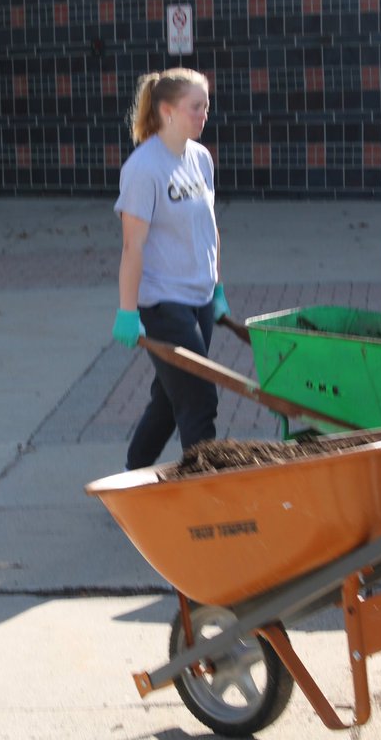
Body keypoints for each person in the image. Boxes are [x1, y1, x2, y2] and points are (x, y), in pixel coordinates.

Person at [111, 67, 230, 470]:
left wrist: (216, 287)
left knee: (169, 396)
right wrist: (129, 311)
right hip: (163, 304)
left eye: (206, 106)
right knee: (199, 399)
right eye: (195, 107)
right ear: (166, 110)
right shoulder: (144, 168)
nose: (204, 115)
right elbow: (133, 245)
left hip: (198, 299)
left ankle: (134, 471)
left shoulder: (200, 158)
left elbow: (207, 228)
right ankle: (205, 494)